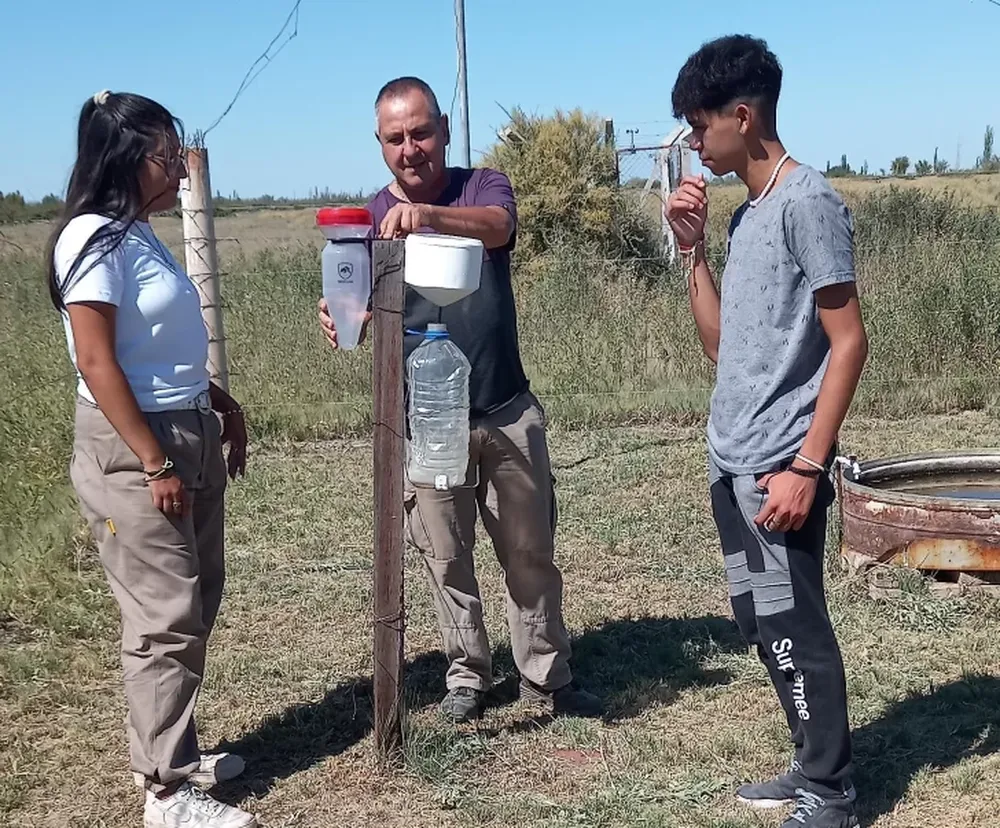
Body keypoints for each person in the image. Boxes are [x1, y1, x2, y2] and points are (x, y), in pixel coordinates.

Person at [318, 76, 601, 723]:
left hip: (505, 406)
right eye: (396, 138)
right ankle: (467, 676)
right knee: (446, 557)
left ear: (443, 128)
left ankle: (546, 677)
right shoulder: (369, 220)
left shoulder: (482, 186)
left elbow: (498, 229)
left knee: (529, 551)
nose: (411, 148)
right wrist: (343, 321)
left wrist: (427, 219)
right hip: (429, 419)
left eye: (421, 132)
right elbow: (361, 315)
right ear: (380, 144)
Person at [666, 37, 868, 828]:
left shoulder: (805, 202)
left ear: (742, 117)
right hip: (733, 462)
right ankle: (810, 760)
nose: (692, 140)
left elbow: (848, 340)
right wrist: (692, 255)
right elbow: (721, 346)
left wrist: (806, 468)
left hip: (779, 470)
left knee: (794, 625)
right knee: (760, 621)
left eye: (699, 124)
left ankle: (832, 793)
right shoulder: (749, 214)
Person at [49, 90, 255, 828]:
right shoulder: (91, 239)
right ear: (129, 156)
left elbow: (159, 349)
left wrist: (219, 401)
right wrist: (154, 462)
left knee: (195, 603)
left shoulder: (138, 233)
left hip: (185, 427)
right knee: (162, 616)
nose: (177, 168)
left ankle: (180, 750)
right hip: (138, 447)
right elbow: (99, 362)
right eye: (167, 154)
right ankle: (166, 793)